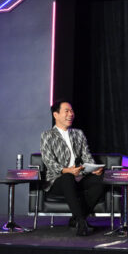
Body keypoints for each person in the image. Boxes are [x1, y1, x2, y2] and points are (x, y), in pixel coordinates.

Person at [40, 100, 105, 236]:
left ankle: (76, 218)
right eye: (66, 111)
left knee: (101, 181)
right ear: (56, 115)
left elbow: (87, 156)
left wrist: (93, 168)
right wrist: (67, 170)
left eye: (72, 111)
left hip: (78, 176)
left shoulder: (78, 134)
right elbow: (49, 162)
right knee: (67, 178)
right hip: (57, 180)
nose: (71, 114)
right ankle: (81, 222)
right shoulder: (47, 135)